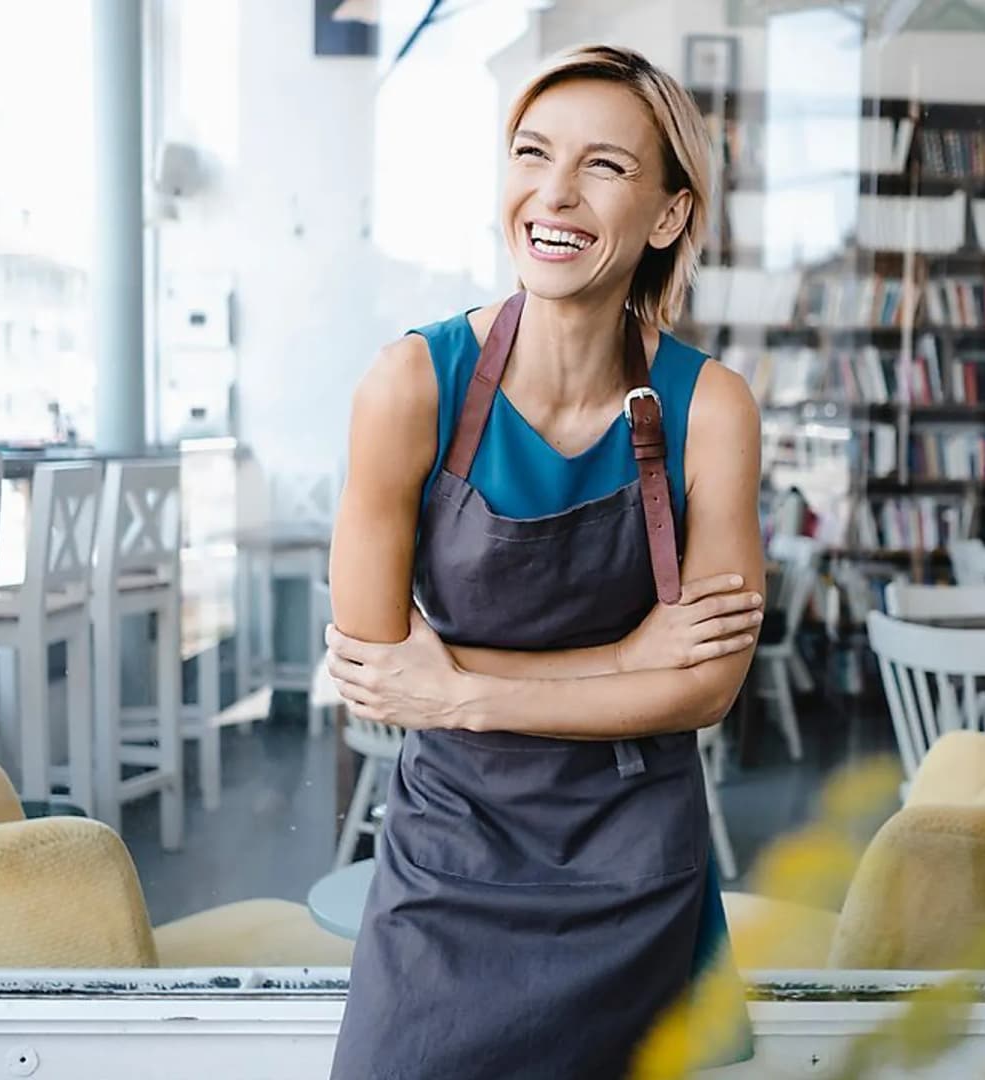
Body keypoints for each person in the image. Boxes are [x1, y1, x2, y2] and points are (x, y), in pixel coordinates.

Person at [323, 44, 766, 1080]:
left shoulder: (712, 408)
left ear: (666, 214)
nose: (554, 193)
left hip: (635, 873)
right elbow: (379, 673)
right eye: (532, 153)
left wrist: (465, 691)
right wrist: (626, 663)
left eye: (606, 166)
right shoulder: (410, 386)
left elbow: (704, 686)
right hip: (450, 861)